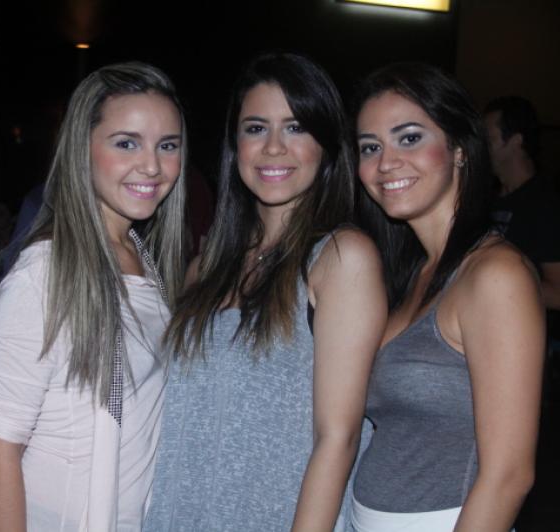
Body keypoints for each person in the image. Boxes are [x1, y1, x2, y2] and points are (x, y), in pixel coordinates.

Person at [145, 52, 387, 531]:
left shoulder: (341, 259)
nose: (274, 147)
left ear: (326, 145)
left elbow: (338, 439)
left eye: (295, 128)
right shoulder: (203, 269)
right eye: (256, 128)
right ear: (235, 145)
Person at [0, 62, 187, 532]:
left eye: (167, 145)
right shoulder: (45, 273)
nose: (152, 165)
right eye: (126, 143)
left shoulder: (142, 256)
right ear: (81, 148)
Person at [351, 63, 543, 531]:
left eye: (409, 137)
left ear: (459, 149)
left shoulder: (496, 275)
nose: (386, 161)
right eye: (370, 147)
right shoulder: (409, 275)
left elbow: (509, 476)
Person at [484, 96, 560, 312]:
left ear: (516, 141)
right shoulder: (485, 199)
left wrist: (487, 282)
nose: (480, 146)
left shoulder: (543, 204)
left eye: (488, 138)